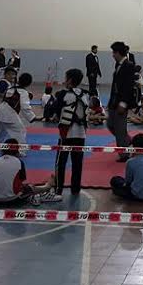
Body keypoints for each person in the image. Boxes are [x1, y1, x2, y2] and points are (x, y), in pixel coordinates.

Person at [0, 139, 60, 205]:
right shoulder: (19, 162)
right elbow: (20, 183)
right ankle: (46, 188)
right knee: (29, 188)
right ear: (17, 151)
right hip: (12, 200)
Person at [53, 68, 89, 196]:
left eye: (65, 78)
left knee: (60, 163)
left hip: (66, 134)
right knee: (77, 163)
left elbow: (55, 110)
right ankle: (75, 189)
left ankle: (58, 189)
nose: (64, 81)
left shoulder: (63, 94)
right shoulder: (85, 94)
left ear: (70, 80)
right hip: (81, 134)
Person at [108, 41, 137, 162]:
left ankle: (124, 154)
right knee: (110, 124)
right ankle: (128, 141)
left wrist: (123, 103)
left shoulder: (128, 65)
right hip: (114, 100)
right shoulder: (118, 65)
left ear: (118, 53)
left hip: (121, 102)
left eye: (113, 53)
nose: (112, 55)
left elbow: (128, 86)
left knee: (119, 128)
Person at [110, 133, 143, 201]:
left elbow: (128, 181)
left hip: (137, 196)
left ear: (133, 147)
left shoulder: (130, 162)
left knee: (115, 180)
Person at [0, 72, 36, 144]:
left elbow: (10, 97)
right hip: (9, 115)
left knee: (1, 132)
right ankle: (21, 148)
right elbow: (25, 107)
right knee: (21, 131)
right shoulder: (23, 92)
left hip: (0, 113)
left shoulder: (11, 88)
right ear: (29, 84)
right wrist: (32, 117)